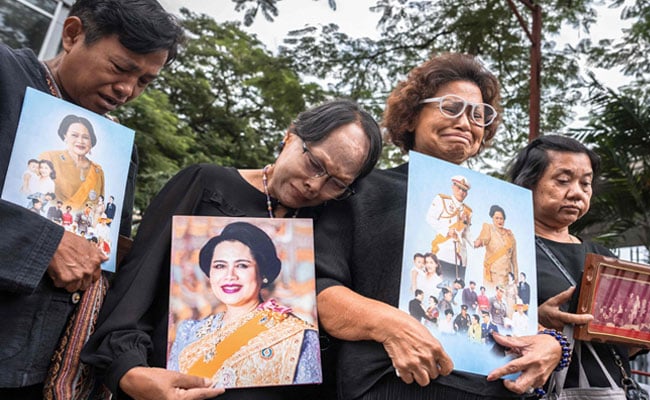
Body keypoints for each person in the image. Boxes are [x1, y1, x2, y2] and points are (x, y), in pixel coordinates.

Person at [81, 99, 383, 399]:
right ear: (290, 135)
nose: (315, 186)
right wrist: (131, 371)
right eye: (315, 164)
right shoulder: (204, 185)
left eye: (337, 184)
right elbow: (135, 292)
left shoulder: (330, 226)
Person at [313, 53, 564, 400]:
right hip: (392, 385)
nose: (466, 121)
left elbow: (509, 305)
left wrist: (551, 343)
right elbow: (315, 288)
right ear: (413, 115)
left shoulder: (503, 209)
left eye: (478, 114)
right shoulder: (362, 190)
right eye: (450, 107)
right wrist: (388, 325)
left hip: (493, 388)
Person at [0, 0, 184, 396]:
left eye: (145, 82)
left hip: (47, 367)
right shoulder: (5, 76)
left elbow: (103, 253)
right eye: (120, 68)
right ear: (71, 34)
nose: (127, 90)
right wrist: (45, 242)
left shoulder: (116, 149)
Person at [509, 134, 650, 395]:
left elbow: (615, 348)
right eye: (563, 181)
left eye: (585, 184)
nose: (576, 193)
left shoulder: (603, 256)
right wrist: (539, 322)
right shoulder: (509, 247)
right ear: (527, 183)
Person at [167, 222, 320, 388]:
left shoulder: (298, 335)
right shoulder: (188, 332)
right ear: (209, 275)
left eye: (242, 265)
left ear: (263, 274)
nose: (229, 276)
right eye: (220, 266)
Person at [38, 115, 104, 211]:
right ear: (65, 136)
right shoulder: (49, 158)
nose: (80, 141)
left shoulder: (97, 171)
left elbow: (99, 207)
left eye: (85, 137)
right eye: (74, 135)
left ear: (91, 142)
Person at [426, 175, 472, 271]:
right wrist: (447, 230)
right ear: (453, 187)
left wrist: (476, 243)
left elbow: (466, 233)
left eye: (464, 190)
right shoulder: (442, 200)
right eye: (459, 187)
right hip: (443, 252)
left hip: (461, 258)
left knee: (457, 285)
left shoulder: (468, 211)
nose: (461, 192)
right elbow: (430, 218)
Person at [474, 204, 518, 290]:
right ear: (492, 219)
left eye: (501, 218)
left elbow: (514, 259)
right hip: (492, 275)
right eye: (496, 218)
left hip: (506, 276)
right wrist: (479, 242)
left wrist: (516, 277)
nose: (499, 220)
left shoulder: (510, 235)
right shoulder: (488, 228)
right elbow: (484, 238)